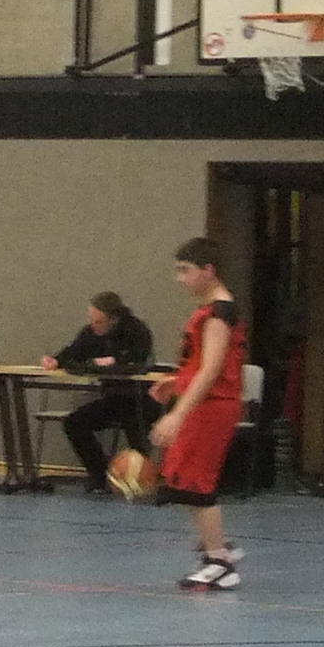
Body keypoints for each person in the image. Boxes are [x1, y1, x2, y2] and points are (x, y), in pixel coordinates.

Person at [149, 238, 247, 591]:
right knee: (182, 479)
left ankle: (220, 562)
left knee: (197, 484)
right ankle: (215, 546)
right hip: (203, 403)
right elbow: (200, 366)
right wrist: (177, 382)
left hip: (212, 407)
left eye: (185, 270)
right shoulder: (207, 311)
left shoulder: (219, 313)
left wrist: (177, 414)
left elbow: (212, 369)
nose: (180, 278)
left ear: (209, 270)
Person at [40, 292, 157, 494]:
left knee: (136, 431)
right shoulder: (90, 333)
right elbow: (74, 352)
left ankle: (141, 481)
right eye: (91, 320)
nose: (93, 325)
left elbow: (136, 362)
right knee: (74, 423)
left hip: (140, 398)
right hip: (113, 399)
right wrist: (55, 360)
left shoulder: (137, 331)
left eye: (98, 321)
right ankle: (101, 474)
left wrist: (105, 363)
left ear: (113, 319)